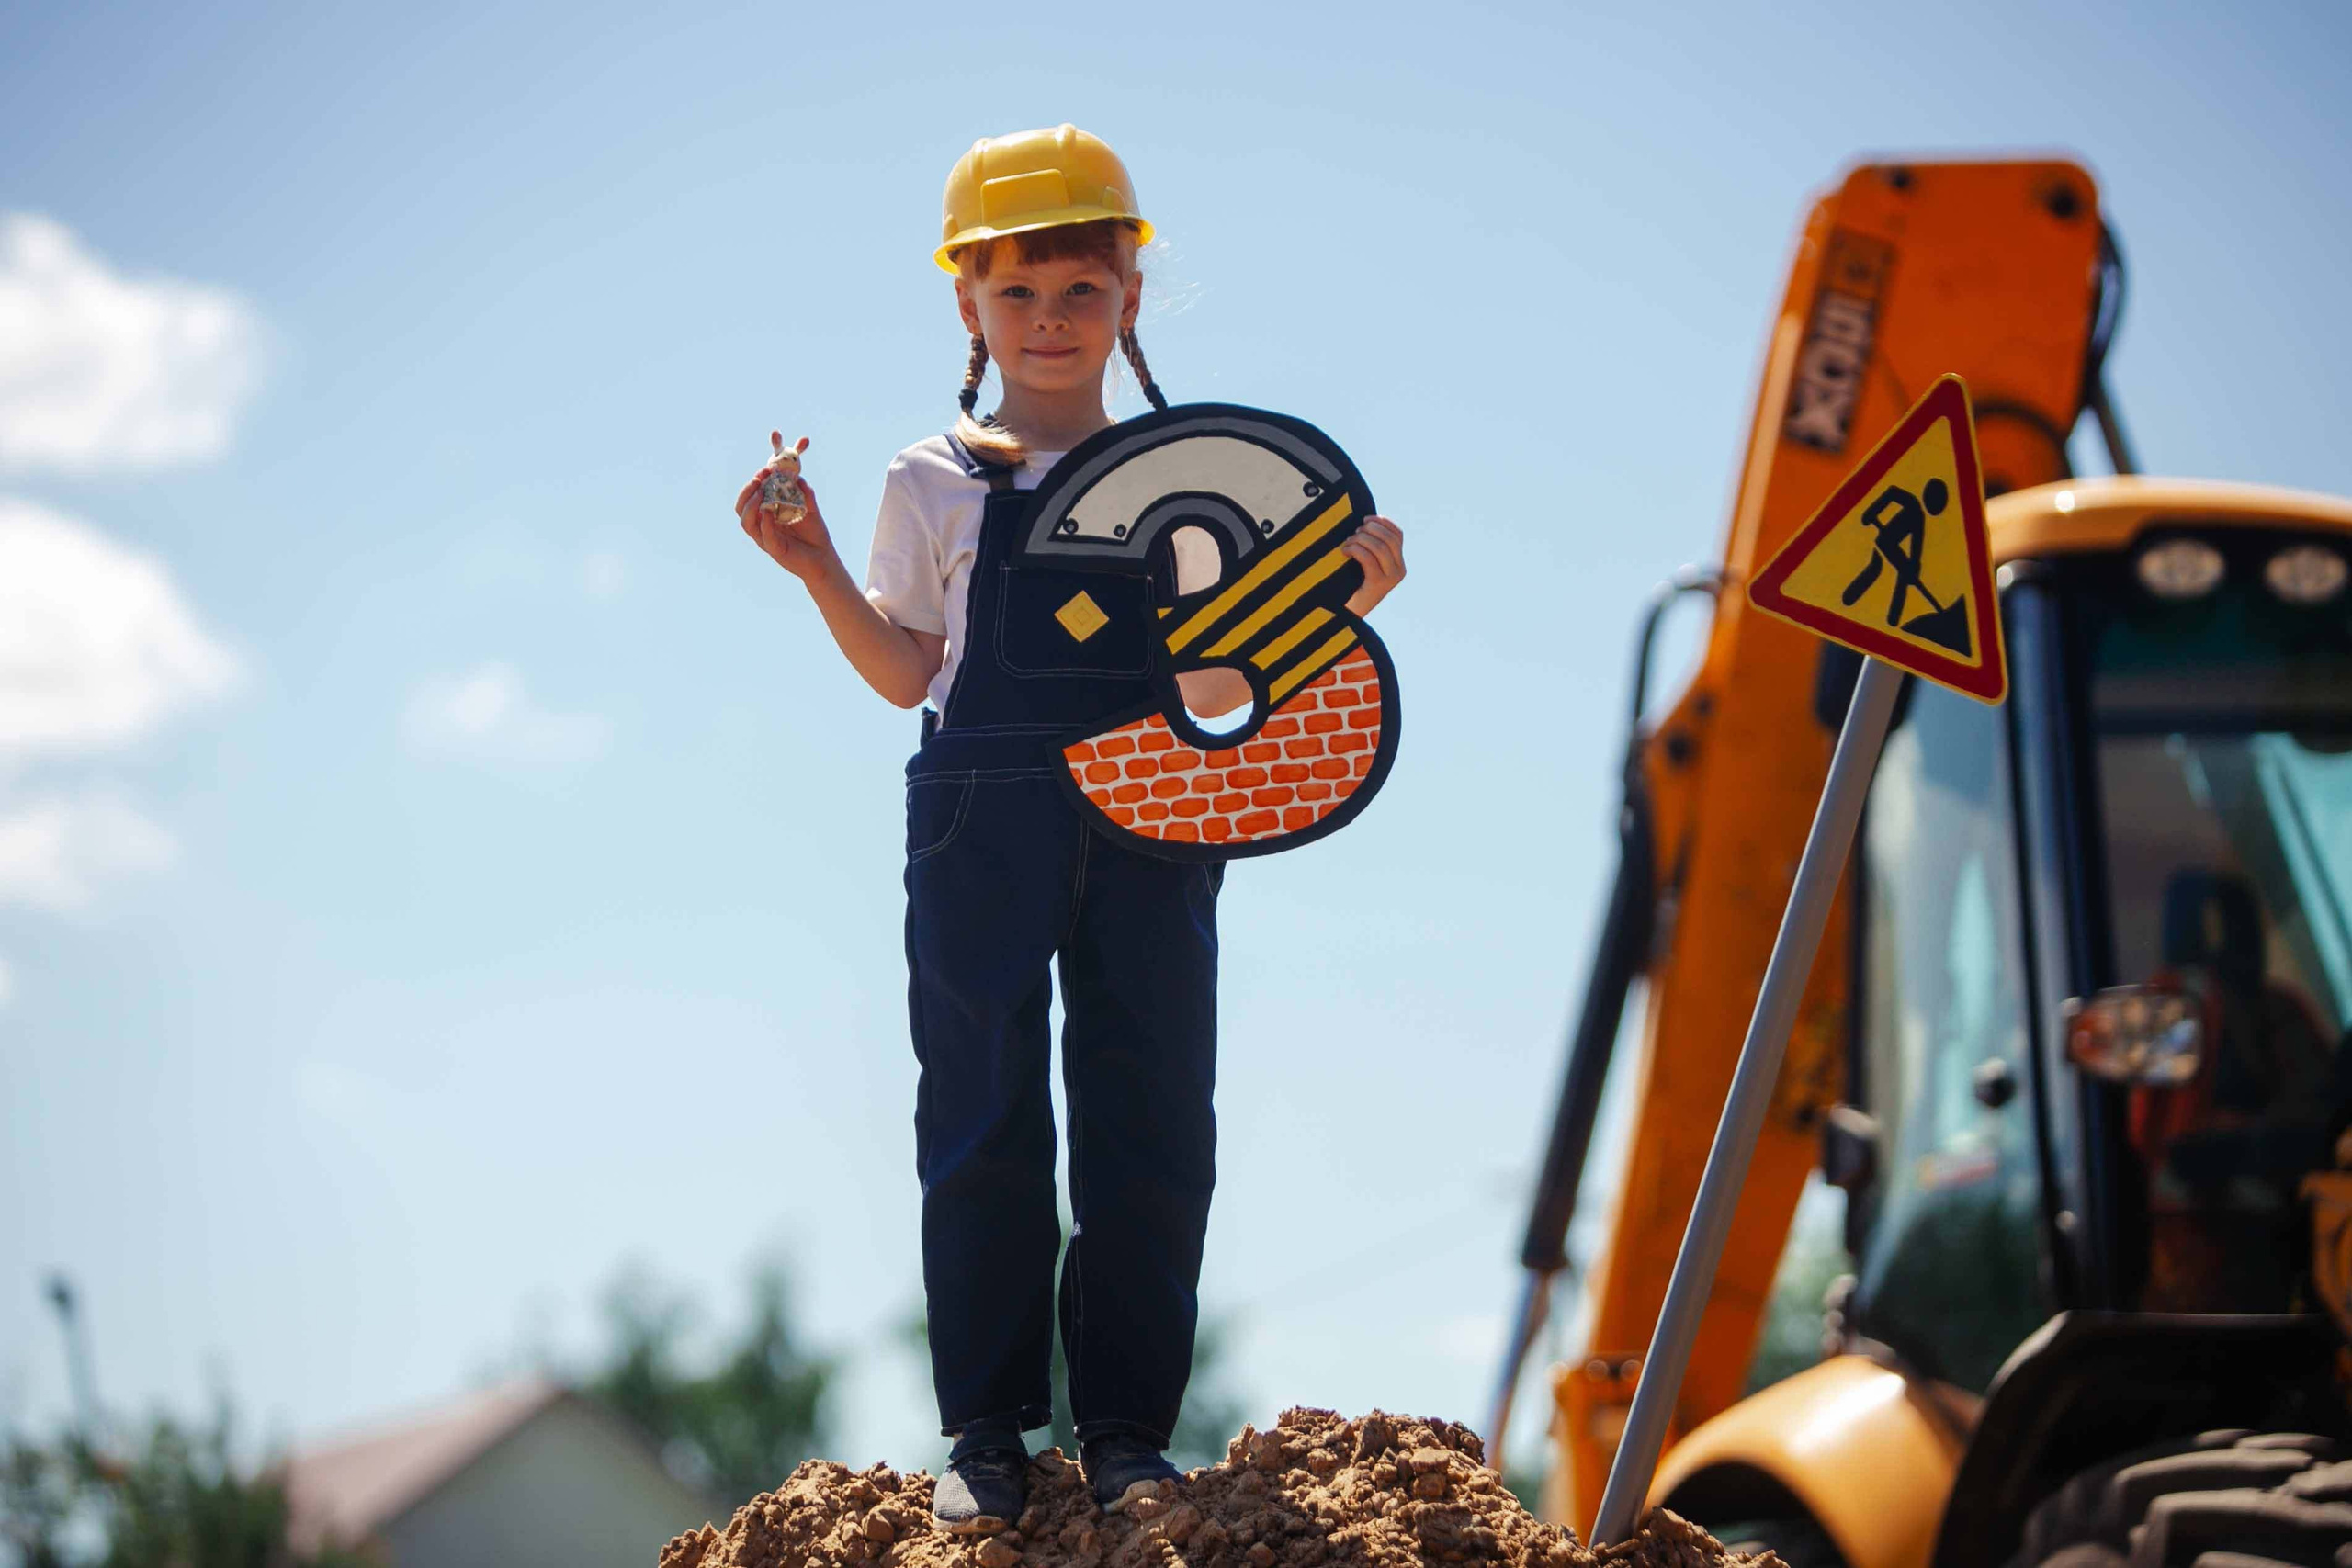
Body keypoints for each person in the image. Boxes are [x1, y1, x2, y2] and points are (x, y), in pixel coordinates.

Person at [732, 124, 1408, 1531]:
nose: (1051, 321)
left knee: (1151, 1114)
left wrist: (1337, 603)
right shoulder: (929, 477)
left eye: (1081, 290)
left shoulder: (1196, 475)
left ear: (1131, 299)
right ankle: (984, 1437)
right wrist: (808, 568)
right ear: (967, 304)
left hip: (1157, 803)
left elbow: (1212, 684)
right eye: (1019, 292)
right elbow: (913, 670)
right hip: (980, 811)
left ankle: (1126, 1438)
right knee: (980, 1115)